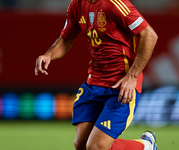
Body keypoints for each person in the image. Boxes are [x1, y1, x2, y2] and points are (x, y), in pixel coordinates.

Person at [35, 0, 158, 149]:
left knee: (95, 146)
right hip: (94, 84)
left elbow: (150, 35)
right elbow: (66, 39)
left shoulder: (115, 4)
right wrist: (49, 55)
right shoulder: (76, 5)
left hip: (120, 86)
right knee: (81, 144)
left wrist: (132, 77)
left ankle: (145, 146)